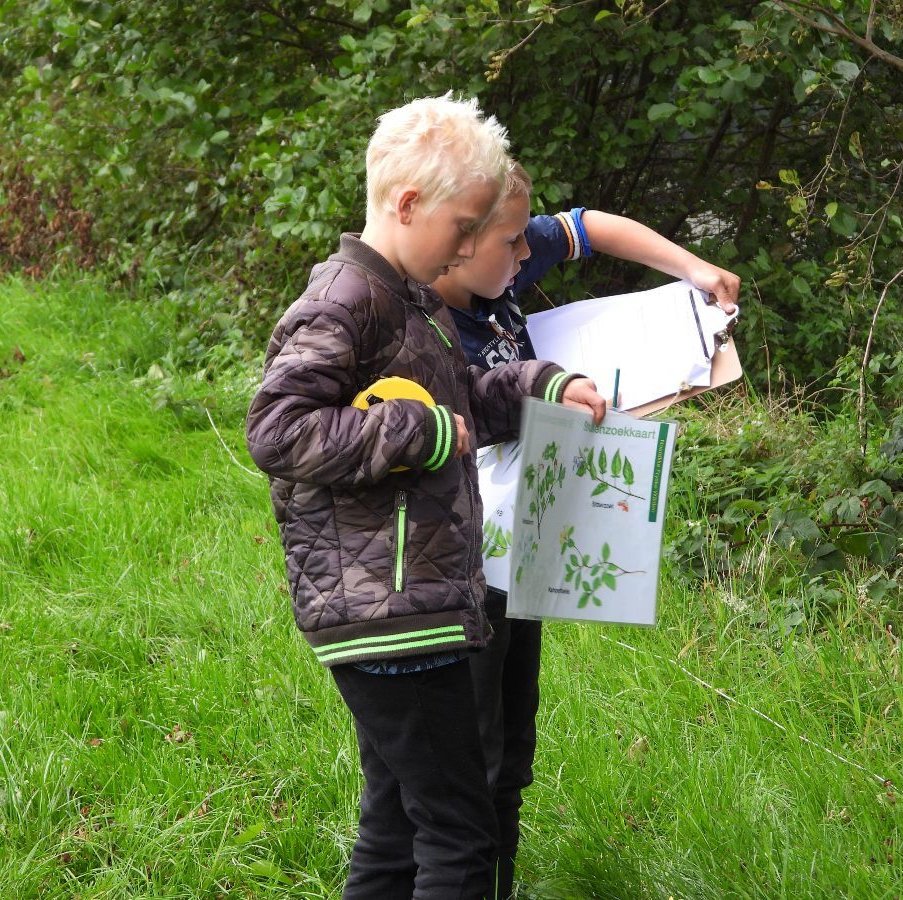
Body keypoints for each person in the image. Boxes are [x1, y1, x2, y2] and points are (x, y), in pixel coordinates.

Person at [245, 96, 607, 900]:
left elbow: (460, 406)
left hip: (404, 601)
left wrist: (539, 385)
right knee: (459, 837)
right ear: (407, 205)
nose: (473, 247)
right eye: (464, 227)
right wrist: (418, 431)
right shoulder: (345, 300)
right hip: (389, 609)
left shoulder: (409, 297)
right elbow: (278, 429)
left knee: (398, 827)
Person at [431, 159, 742, 898]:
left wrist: (695, 269)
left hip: (523, 546)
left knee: (513, 744)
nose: (525, 254)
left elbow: (589, 226)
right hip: (459, 567)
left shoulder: (501, 262)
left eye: (524, 239)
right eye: (511, 243)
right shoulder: (425, 328)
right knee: (470, 752)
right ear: (459, 241)